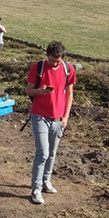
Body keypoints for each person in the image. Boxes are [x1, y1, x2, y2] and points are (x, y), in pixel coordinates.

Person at [26, 41, 76, 205]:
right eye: (52, 60)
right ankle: (36, 188)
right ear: (47, 55)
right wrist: (41, 91)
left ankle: (46, 181)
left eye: (58, 61)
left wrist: (66, 117)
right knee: (43, 152)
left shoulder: (68, 69)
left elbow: (69, 94)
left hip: (58, 118)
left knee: (52, 153)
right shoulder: (37, 67)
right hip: (39, 115)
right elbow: (29, 90)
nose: (55, 63)